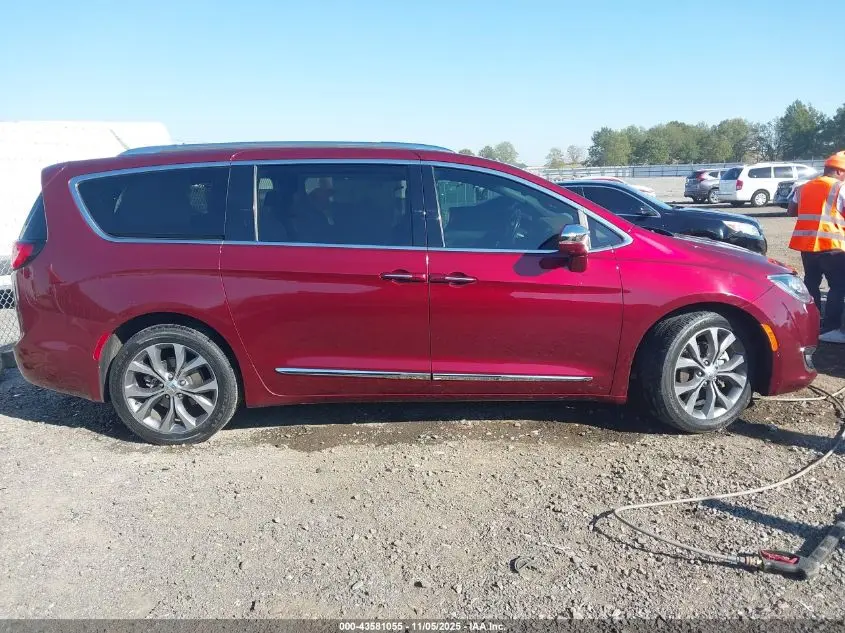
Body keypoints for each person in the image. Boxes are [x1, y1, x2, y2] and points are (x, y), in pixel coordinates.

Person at [788, 151, 845, 343]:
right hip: (832, 246)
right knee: (837, 286)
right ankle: (830, 326)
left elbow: (791, 210)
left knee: (811, 282)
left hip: (808, 246)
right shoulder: (840, 187)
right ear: (838, 171)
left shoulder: (804, 187)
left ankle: (812, 321)